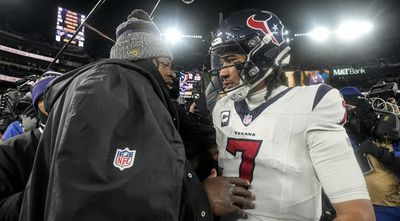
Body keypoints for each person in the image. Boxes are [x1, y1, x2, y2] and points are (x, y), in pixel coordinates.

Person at [19, 9, 254, 221]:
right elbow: (107, 202)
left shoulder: (117, 87)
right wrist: (200, 201)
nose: (172, 74)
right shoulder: (113, 86)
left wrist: (201, 154)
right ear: (141, 59)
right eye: (165, 63)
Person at [209, 9, 375, 221]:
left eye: (231, 59)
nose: (223, 71)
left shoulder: (313, 102)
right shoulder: (222, 107)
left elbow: (358, 213)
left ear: (263, 55)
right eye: (221, 62)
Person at [0, 72, 59, 221]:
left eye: (60, 94)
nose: (53, 101)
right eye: (45, 96)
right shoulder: (11, 148)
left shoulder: (87, 142)